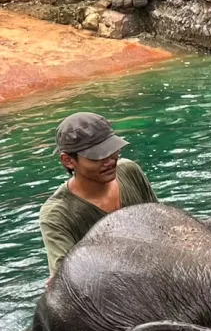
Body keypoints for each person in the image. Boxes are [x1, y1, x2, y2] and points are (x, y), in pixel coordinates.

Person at [39, 112, 157, 277]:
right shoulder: (57, 214)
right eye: (97, 156)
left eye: (112, 150)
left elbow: (160, 223)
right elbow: (67, 280)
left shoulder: (130, 171)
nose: (110, 161)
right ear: (68, 160)